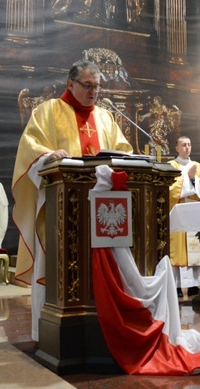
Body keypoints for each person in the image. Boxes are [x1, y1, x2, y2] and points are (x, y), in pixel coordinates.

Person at [13, 59, 133, 340]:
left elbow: (123, 150)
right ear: (71, 84)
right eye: (87, 86)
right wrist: (46, 156)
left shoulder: (105, 118)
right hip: (61, 209)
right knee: (57, 265)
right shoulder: (48, 111)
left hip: (103, 211)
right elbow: (30, 146)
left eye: (97, 87)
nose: (93, 92)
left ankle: (102, 326)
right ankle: (48, 331)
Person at [167, 136, 200, 297]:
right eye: (183, 145)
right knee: (179, 250)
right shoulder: (172, 166)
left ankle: (195, 285)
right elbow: (169, 189)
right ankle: (178, 286)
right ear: (177, 148)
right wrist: (189, 179)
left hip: (195, 211)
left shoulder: (197, 166)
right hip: (179, 211)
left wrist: (194, 180)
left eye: (189, 145)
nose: (187, 147)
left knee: (196, 249)